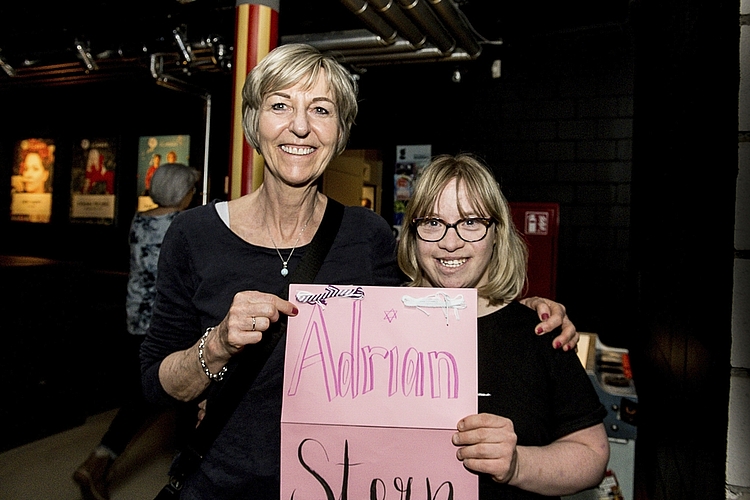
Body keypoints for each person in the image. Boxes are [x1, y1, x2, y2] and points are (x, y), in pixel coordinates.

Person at [139, 43, 577, 500]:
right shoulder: (193, 234)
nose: (301, 126)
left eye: (321, 109)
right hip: (220, 486)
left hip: (335, 485)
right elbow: (156, 385)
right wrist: (219, 343)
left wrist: (521, 311)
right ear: (254, 121)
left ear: (340, 131)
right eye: (280, 105)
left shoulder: (367, 236)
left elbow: (424, 322)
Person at [397, 153, 609, 499]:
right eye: (433, 222)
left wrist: (517, 465)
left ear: (497, 233)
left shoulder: (540, 333)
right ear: (413, 234)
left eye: (470, 222)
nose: (450, 242)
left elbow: (593, 456)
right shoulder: (378, 329)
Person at [74, 163, 200, 500]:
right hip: (170, 323)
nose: (193, 195)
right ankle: (100, 460)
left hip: (138, 320)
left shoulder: (140, 219)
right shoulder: (184, 225)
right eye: (191, 189)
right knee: (165, 392)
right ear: (182, 191)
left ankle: (182, 471)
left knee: (168, 393)